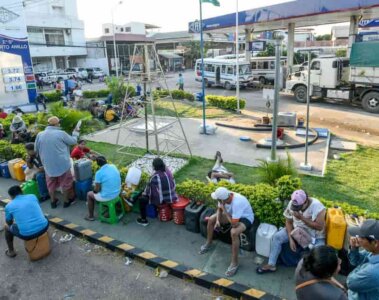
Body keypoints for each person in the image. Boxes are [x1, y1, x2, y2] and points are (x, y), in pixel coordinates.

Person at [257, 190, 326, 274]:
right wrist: (290, 238)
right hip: (296, 230)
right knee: (277, 237)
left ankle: (313, 277)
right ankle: (271, 264)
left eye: (299, 207)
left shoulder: (317, 206)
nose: (296, 209)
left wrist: (302, 218)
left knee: (319, 253)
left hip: (315, 236)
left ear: (305, 201)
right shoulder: (292, 203)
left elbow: (320, 227)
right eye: (295, 207)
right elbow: (288, 222)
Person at [199, 187, 254, 277]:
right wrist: (217, 220)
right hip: (233, 216)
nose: (217, 200)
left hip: (245, 218)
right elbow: (219, 209)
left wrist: (224, 209)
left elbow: (234, 225)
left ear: (223, 200)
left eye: (218, 200)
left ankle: (234, 263)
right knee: (211, 219)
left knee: (234, 232)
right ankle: (208, 243)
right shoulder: (223, 198)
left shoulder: (237, 202)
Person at [35, 116, 79, 209]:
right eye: (59, 122)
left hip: (47, 165)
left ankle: (53, 201)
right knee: (66, 183)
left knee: (50, 184)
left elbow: (36, 149)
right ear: (56, 124)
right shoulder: (61, 133)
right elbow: (73, 141)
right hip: (62, 164)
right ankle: (66, 201)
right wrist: (75, 133)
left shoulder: (40, 134)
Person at [126, 158, 177, 227]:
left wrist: (143, 194)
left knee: (142, 199)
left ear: (154, 167)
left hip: (163, 200)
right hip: (172, 195)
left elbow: (148, 192)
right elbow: (173, 183)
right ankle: (132, 200)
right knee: (145, 190)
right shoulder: (168, 171)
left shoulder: (155, 177)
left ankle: (143, 220)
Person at [4, 186, 49, 258]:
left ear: (11, 196)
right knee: (43, 217)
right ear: (22, 191)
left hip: (28, 235)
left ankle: (11, 251)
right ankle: (47, 239)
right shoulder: (32, 196)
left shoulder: (9, 206)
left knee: (6, 227)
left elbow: (9, 222)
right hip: (45, 227)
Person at [346, 219, 379, 300]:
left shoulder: (374, 272)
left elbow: (350, 282)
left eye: (361, 237)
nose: (357, 238)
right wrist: (354, 248)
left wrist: (356, 270)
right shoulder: (373, 251)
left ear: (375, 243)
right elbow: (355, 261)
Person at [85, 156, 121, 221]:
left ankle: (91, 216)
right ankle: (112, 208)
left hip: (107, 197)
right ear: (106, 161)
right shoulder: (113, 166)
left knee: (89, 194)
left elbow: (97, 190)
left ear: (98, 164)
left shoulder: (99, 173)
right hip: (117, 193)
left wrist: (94, 191)